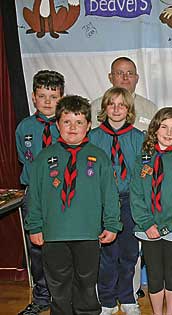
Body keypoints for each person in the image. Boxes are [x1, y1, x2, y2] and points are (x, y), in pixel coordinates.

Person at [24, 95, 123, 315]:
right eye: (67, 121)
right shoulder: (43, 158)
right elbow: (35, 196)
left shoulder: (99, 158)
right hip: (54, 234)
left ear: (88, 126)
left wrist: (112, 224)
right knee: (58, 285)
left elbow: (109, 194)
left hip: (88, 233)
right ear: (57, 124)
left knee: (86, 283)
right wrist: (35, 226)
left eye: (79, 122)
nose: (72, 127)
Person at [129, 107, 172, 315]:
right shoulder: (143, 158)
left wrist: (168, 226)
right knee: (154, 273)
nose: (168, 133)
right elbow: (136, 193)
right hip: (147, 227)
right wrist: (148, 223)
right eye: (164, 127)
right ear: (155, 129)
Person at [90, 87, 145, 315]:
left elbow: (143, 173)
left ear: (129, 109)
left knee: (129, 253)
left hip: (129, 200)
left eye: (121, 105)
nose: (116, 109)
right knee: (107, 254)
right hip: (103, 203)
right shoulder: (93, 137)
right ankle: (107, 301)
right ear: (104, 108)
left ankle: (128, 297)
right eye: (111, 104)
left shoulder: (138, 138)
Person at [15, 70, 65, 315]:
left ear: (61, 98)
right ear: (33, 97)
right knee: (37, 249)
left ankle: (64, 296)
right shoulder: (24, 127)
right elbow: (25, 161)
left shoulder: (67, 126)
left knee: (63, 247)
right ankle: (42, 296)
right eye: (42, 96)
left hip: (61, 196)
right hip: (34, 196)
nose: (47, 101)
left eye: (53, 96)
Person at [91, 57, 157, 132]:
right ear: (110, 77)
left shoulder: (151, 109)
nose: (125, 77)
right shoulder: (95, 107)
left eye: (130, 73)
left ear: (136, 78)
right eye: (120, 73)